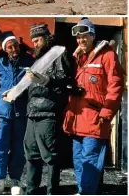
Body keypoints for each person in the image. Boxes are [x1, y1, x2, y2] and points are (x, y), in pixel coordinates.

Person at [62, 18, 124, 195]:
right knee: (79, 161)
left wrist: (106, 112)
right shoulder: (78, 58)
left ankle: (87, 192)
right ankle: (83, 191)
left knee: (91, 160)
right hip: (77, 119)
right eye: (78, 38)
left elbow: (116, 86)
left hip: (95, 119)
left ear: (93, 35)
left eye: (84, 36)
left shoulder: (107, 55)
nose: (81, 41)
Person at [0, 32, 35, 195]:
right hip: (1, 113)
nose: (13, 49)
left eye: (15, 45)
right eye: (10, 46)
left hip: (21, 113)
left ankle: (15, 180)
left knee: (19, 148)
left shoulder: (29, 62)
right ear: (5, 49)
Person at [24, 23, 72, 195]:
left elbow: (64, 78)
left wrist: (46, 80)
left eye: (37, 40)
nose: (35, 44)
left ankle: (52, 191)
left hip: (49, 112)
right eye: (33, 41)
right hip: (32, 113)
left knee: (50, 156)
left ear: (46, 38)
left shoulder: (58, 54)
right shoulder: (36, 59)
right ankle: (32, 191)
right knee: (31, 155)